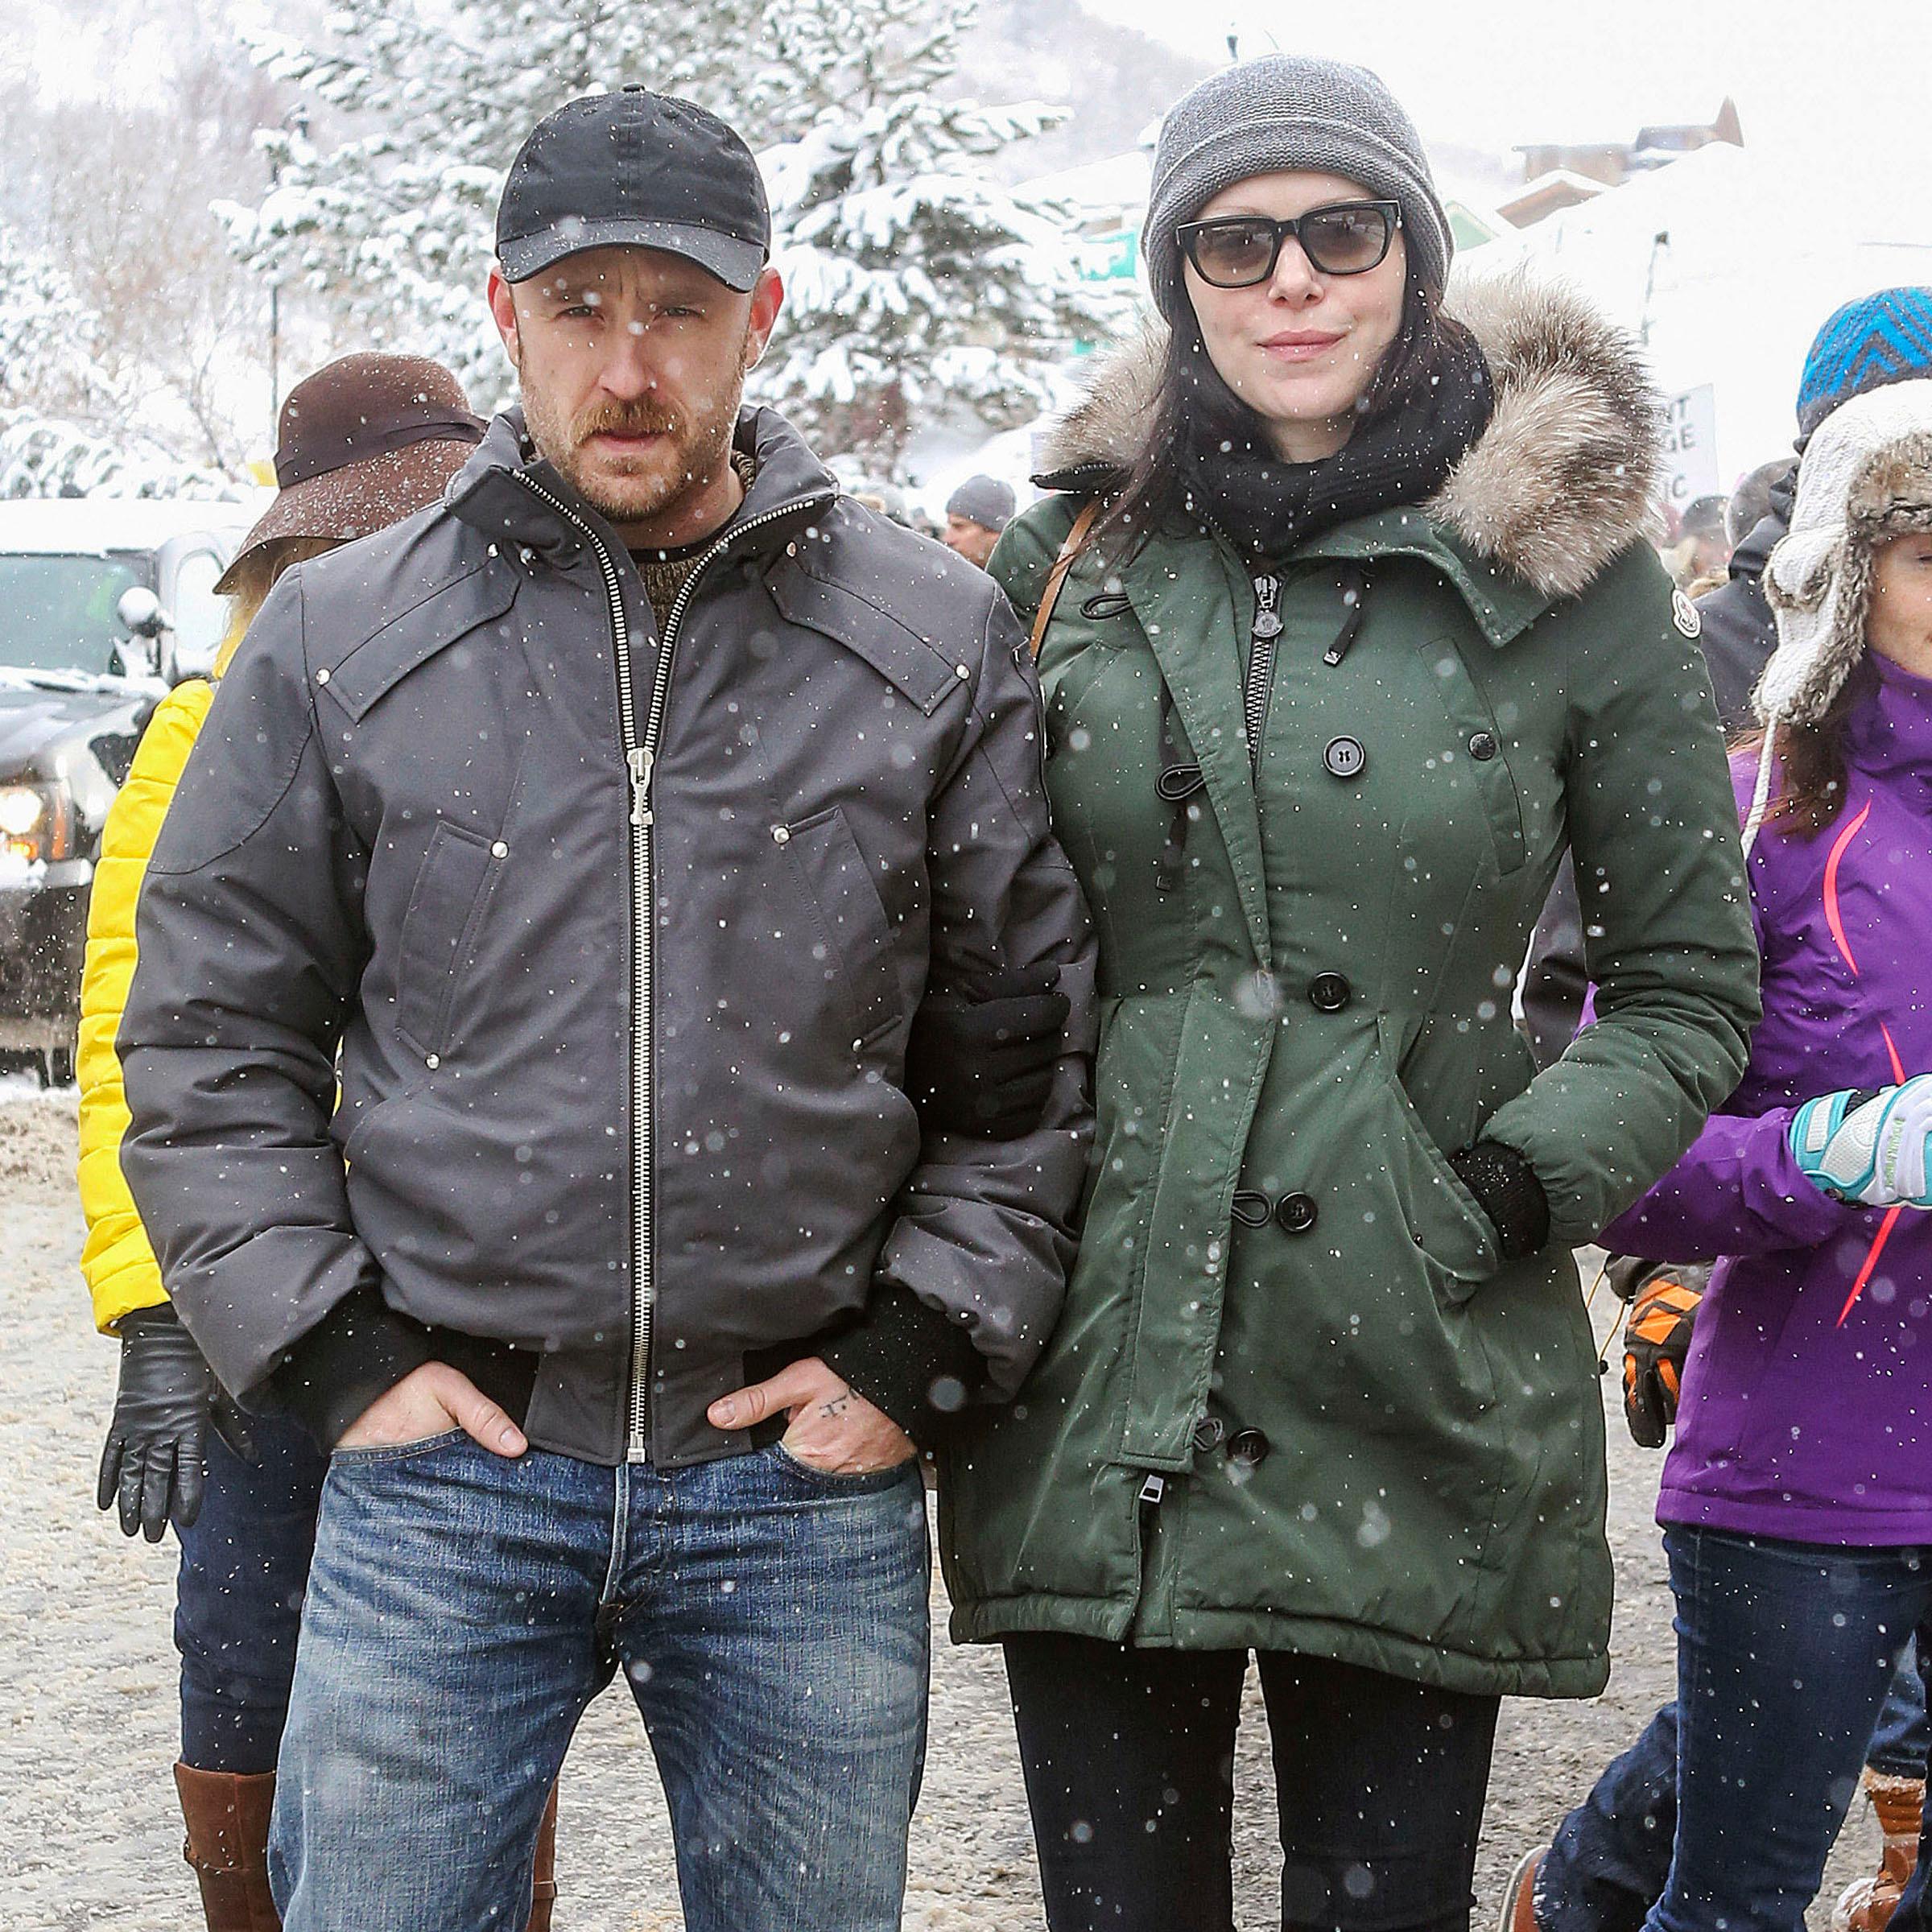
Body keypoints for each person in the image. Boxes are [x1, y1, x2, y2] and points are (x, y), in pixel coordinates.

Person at [115, 88, 1094, 1932]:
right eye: (578, 307)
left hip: (792, 1479)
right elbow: (208, 1029)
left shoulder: (923, 637)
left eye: (677, 307)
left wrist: (912, 1352)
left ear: (764, 312)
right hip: (445, 1468)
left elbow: (1022, 1049)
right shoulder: (339, 641)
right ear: (504, 315)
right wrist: (323, 1347)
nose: (627, 363)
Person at [937, 54, 1758, 1932]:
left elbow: (1683, 979)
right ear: (1176, 277)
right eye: (1232, 239)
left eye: (1338, 227)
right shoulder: (1067, 553)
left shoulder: (1572, 573)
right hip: (1103, 1359)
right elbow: (957, 936)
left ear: (1410, 249)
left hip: (1411, 1351)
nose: (1288, 276)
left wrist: (1492, 1184)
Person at [78, 353, 564, 1930]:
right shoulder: (210, 720)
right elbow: (128, 1031)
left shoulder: (544, 697)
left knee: (467, 1693)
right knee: (242, 1664)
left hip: (477, 1291)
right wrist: (155, 1308)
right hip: (258, 1291)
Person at [1508, 289, 1932, 1932]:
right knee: (1739, 1896)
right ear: (1841, 572)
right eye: (1929, 549)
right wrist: (1824, 1156)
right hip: (1806, 1468)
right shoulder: (1750, 822)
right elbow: (1618, 1155)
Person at [943, 473, 1016, 566]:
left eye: (959, 527)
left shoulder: (1029, 577)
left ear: (994, 533)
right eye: (949, 526)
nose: (947, 539)